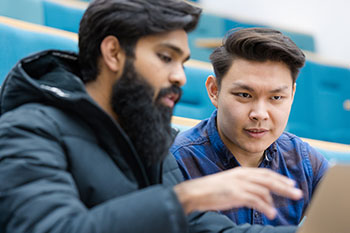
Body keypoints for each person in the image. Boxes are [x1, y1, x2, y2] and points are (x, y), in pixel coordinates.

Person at [0, 1, 302, 232]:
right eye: (166, 57)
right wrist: (184, 198)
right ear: (114, 53)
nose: (180, 76)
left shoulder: (149, 141)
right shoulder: (27, 130)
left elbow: (209, 230)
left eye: (182, 62)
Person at [171, 27, 329, 227]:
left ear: (292, 95)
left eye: (276, 97)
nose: (260, 114)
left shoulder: (304, 160)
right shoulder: (177, 162)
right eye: (245, 95)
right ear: (214, 91)